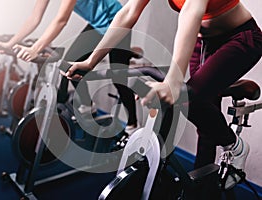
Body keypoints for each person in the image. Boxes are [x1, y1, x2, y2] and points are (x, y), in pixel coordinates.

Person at [66, 0, 262, 189]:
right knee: (204, 117)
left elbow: (192, 10)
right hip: (203, 43)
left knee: (186, 100)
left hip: (241, 38)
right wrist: (91, 61)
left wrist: (173, 81)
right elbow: (128, 12)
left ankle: (236, 147)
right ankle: (203, 190)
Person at [0, 0, 139, 134]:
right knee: (71, 64)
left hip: (117, 22)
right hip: (97, 25)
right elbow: (34, 18)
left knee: (118, 77)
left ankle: (133, 124)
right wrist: (9, 44)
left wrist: (35, 49)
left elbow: (61, 20)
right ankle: (88, 105)